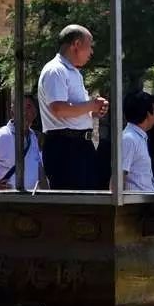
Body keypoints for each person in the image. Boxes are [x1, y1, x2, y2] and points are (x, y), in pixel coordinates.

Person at [37, 25, 109, 189]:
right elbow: (59, 109)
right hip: (65, 146)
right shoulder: (55, 70)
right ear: (76, 44)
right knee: (73, 204)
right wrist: (91, 104)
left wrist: (93, 111)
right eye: (89, 45)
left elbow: (74, 110)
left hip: (81, 145)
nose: (91, 52)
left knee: (88, 201)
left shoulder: (73, 72)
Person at [0, 95, 46, 191]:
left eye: (28, 106)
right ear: (13, 111)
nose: (24, 112)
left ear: (35, 112)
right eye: (20, 107)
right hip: (6, 201)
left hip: (29, 200)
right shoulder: (2, 135)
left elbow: (39, 171)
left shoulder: (34, 138)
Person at [119, 91, 154, 192]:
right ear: (149, 114)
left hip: (144, 203)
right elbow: (117, 177)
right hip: (134, 205)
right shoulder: (129, 138)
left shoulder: (139, 137)